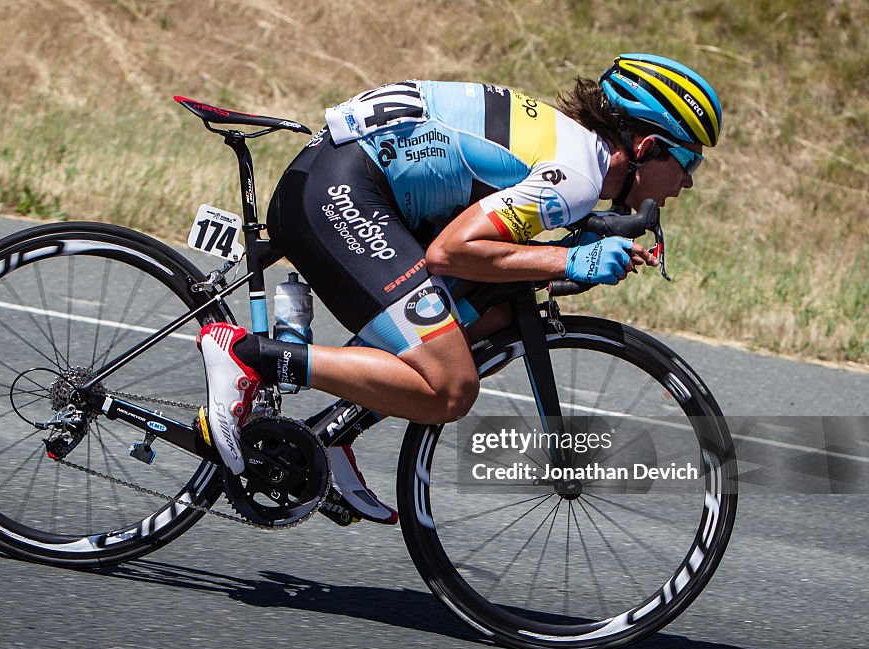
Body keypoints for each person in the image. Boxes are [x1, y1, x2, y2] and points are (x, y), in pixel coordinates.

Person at [197, 53, 722, 523]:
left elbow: (493, 241)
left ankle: (335, 432)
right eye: (689, 160)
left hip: (347, 176)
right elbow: (451, 252)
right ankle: (250, 356)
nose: (691, 180)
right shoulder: (579, 177)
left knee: (493, 314)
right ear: (648, 147)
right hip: (342, 190)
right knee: (450, 388)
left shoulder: (573, 152)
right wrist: (575, 256)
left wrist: (574, 250)